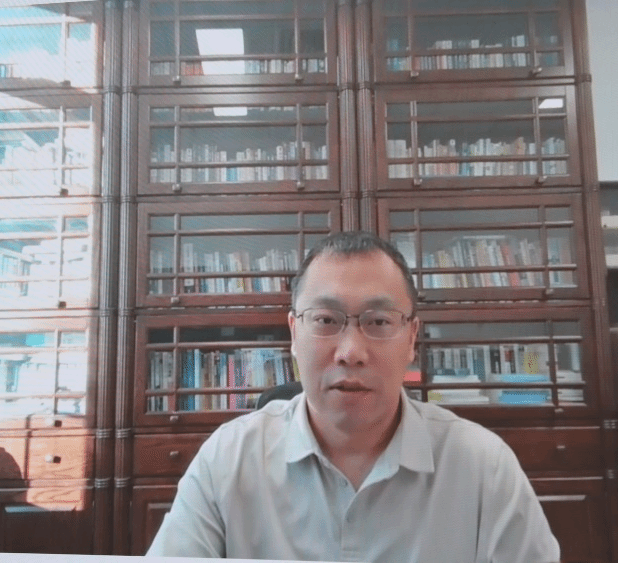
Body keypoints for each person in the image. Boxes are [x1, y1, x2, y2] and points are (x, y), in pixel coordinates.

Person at [147, 231, 560, 562]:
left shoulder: (484, 466)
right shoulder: (227, 460)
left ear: (412, 338)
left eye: (378, 322)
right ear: (294, 333)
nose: (351, 352)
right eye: (326, 320)